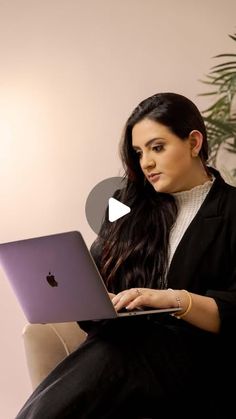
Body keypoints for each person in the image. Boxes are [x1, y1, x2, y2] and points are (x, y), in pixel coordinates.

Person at [16, 92, 236, 419]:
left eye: (157, 147)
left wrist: (173, 300)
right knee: (115, 352)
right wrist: (93, 297)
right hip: (123, 346)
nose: (145, 162)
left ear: (193, 143)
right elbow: (95, 270)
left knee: (116, 358)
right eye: (138, 152)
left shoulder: (231, 210)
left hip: (197, 358)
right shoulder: (123, 204)